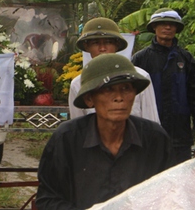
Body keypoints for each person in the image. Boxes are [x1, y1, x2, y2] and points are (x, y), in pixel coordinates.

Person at [36, 53, 174, 210]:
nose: (119, 98)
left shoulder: (155, 139)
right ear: (90, 99)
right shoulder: (66, 139)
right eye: (108, 89)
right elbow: (47, 200)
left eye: (126, 88)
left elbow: (169, 195)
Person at [131, 8, 195, 163]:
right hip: (150, 131)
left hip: (180, 132)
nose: (167, 27)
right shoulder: (140, 59)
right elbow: (131, 95)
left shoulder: (186, 59)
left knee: (180, 176)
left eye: (171, 25)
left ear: (176, 29)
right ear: (154, 27)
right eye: (162, 24)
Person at [68, 17, 160, 123]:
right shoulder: (78, 84)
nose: (102, 48)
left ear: (117, 45)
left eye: (108, 42)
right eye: (95, 43)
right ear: (86, 46)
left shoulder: (139, 76)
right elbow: (79, 126)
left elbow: (151, 119)